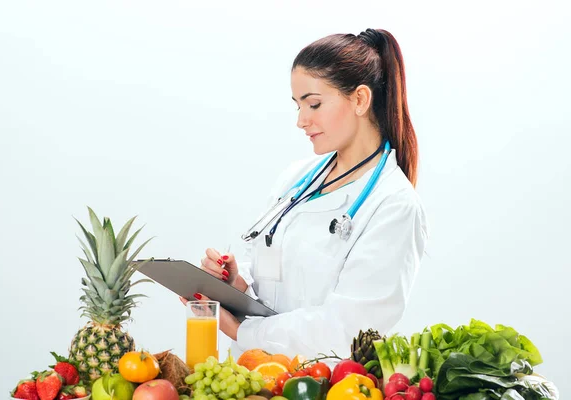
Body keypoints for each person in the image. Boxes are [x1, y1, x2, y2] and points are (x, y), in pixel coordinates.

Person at [181, 28, 429, 360]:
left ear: (359, 100)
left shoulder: (394, 205)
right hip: (254, 376)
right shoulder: (297, 179)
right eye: (298, 106)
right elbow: (277, 282)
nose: (301, 120)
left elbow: (349, 329)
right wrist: (237, 284)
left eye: (313, 104)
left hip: (324, 386)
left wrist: (239, 330)